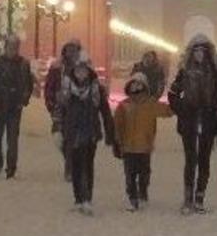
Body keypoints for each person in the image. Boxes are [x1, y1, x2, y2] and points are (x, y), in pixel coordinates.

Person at [167, 34, 217, 214]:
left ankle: (200, 197)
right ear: (192, 53)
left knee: (204, 160)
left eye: (202, 51)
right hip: (189, 120)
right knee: (190, 160)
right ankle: (188, 198)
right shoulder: (184, 72)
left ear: (207, 53)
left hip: (207, 120)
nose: (199, 54)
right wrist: (181, 109)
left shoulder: (215, 73)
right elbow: (172, 94)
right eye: (196, 51)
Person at [57, 53, 114, 215]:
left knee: (88, 166)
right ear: (74, 71)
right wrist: (58, 128)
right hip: (72, 133)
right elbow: (60, 110)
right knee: (75, 166)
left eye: (84, 70)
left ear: (89, 71)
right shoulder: (67, 89)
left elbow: (105, 111)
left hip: (90, 133)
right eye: (78, 70)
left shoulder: (96, 89)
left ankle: (87, 198)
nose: (81, 74)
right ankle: (78, 199)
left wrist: (110, 133)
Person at [112, 72, 172, 211]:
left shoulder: (150, 104)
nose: (136, 87)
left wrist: (178, 105)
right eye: (133, 84)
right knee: (130, 174)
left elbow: (167, 111)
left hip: (144, 147)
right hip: (128, 147)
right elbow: (118, 124)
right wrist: (117, 141)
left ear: (144, 87)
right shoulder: (124, 106)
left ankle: (143, 194)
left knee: (144, 173)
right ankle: (132, 197)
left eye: (139, 84)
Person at [0, 35, 35, 179]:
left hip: (14, 107)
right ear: (5, 48)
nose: (13, 50)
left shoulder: (23, 64)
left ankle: (11, 168)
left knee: (12, 139)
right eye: (10, 47)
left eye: (15, 47)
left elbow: (29, 84)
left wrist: (23, 100)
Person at [45, 39, 82, 181]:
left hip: (76, 109)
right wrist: (50, 103)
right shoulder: (57, 67)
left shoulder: (83, 67)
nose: (71, 52)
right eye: (69, 49)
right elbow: (49, 87)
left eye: (74, 49)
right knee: (58, 138)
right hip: (59, 108)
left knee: (72, 140)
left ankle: (70, 169)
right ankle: (70, 160)